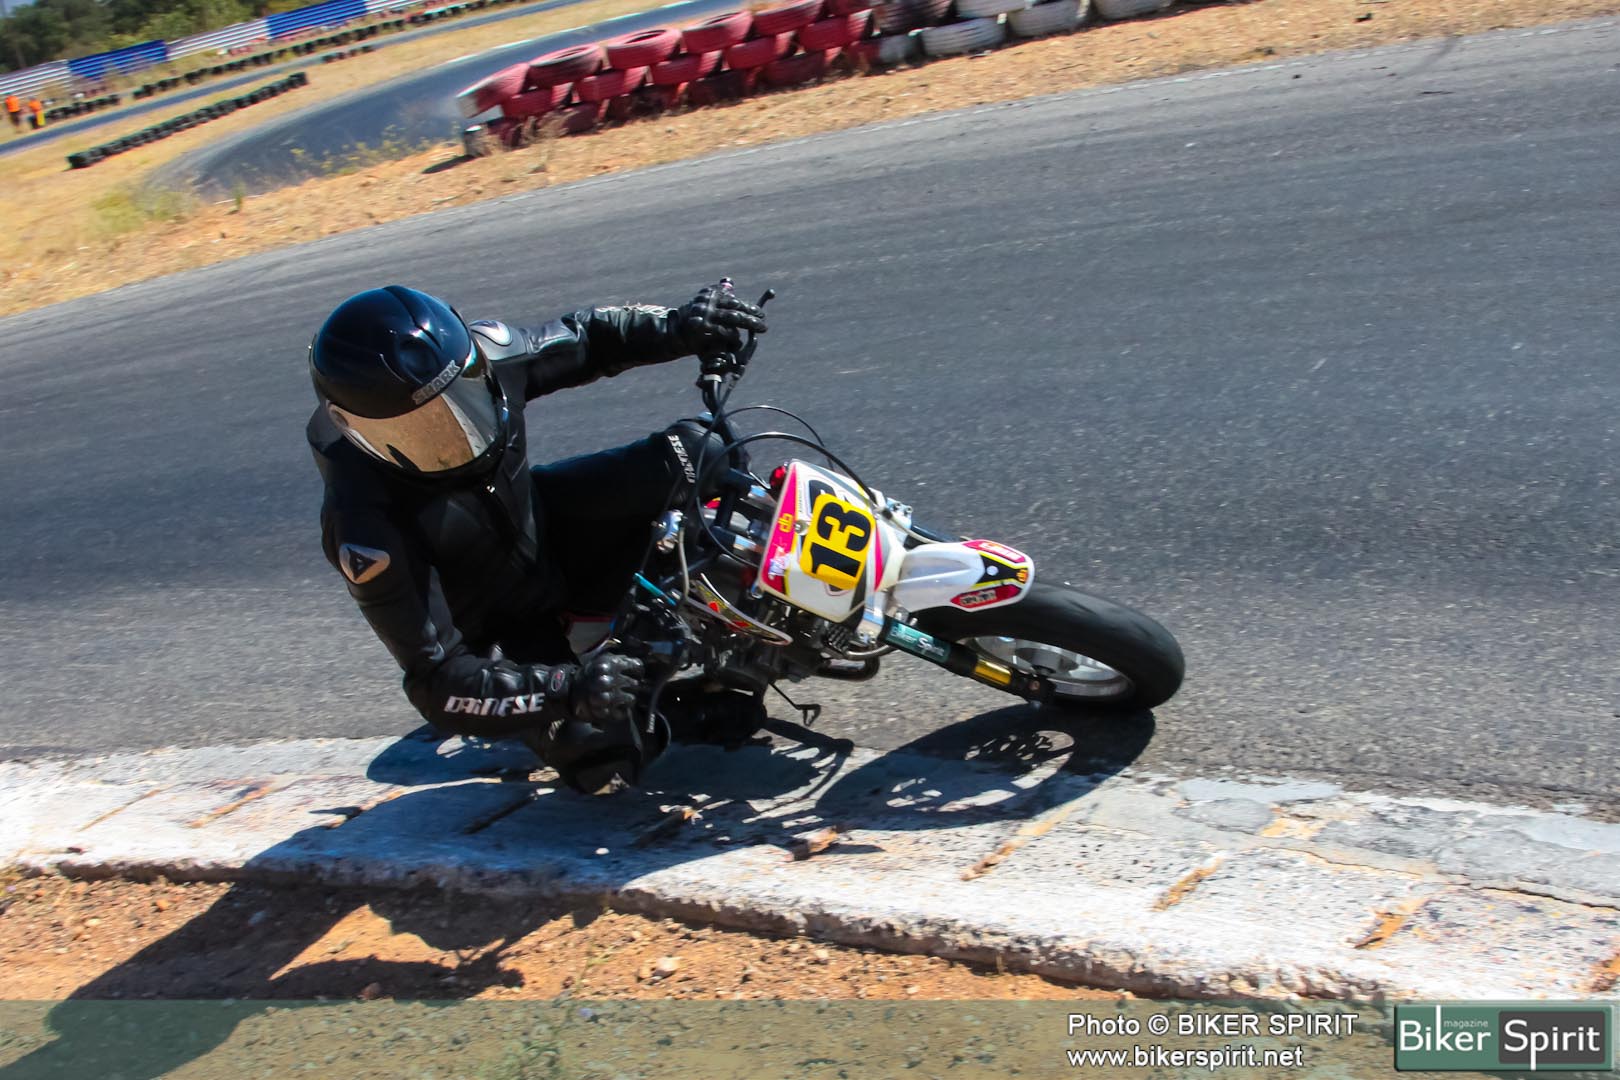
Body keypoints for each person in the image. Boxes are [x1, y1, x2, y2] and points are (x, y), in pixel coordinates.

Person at [308, 282, 769, 794]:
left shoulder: (488, 353)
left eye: (464, 398)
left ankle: (766, 570)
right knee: (601, 755)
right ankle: (677, 709)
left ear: (472, 364)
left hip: (552, 529)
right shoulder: (364, 528)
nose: (457, 433)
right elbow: (435, 682)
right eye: (419, 430)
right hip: (507, 631)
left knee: (703, 450)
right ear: (354, 430)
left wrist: (679, 325)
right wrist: (564, 689)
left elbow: (588, 338)